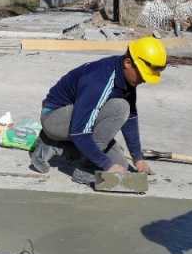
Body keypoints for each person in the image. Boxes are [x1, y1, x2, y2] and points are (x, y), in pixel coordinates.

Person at [30, 36, 167, 183]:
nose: (144, 79)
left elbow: (130, 118)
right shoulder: (99, 80)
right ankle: (83, 167)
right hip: (54, 118)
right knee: (119, 108)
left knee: (121, 166)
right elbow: (80, 131)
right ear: (128, 63)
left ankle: (61, 145)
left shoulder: (127, 77)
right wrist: (106, 165)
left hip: (78, 119)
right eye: (142, 73)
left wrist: (138, 159)